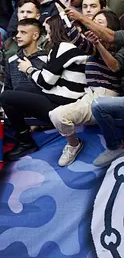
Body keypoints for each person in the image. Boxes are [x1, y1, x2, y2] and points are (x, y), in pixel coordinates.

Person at [1, 16, 87, 161]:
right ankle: (25, 137)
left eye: (48, 32)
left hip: (64, 104)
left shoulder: (63, 48)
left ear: (56, 30)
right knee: (19, 92)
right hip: (59, 98)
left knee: (7, 97)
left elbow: (46, 82)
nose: (47, 36)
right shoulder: (63, 48)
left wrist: (28, 69)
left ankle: (25, 140)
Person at [46, 10, 120, 166]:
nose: (93, 24)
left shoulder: (113, 49)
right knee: (56, 115)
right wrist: (64, 15)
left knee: (58, 115)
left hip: (105, 97)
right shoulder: (93, 47)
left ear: (110, 28)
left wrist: (99, 44)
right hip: (90, 95)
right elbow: (77, 39)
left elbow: (113, 65)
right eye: (92, 21)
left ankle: (74, 145)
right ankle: (73, 144)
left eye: (99, 22)